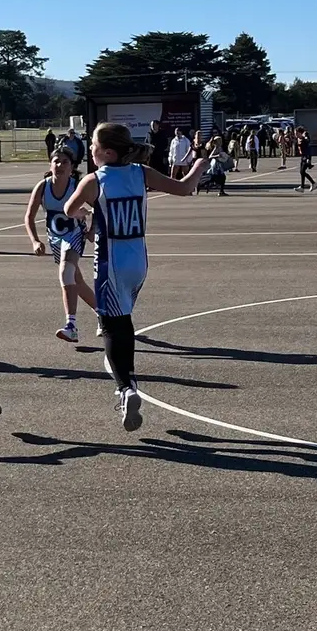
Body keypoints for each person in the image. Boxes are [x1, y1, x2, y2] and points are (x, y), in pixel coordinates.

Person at [51, 121, 202, 427]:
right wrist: (200, 162)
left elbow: (67, 209)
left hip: (112, 263)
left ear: (107, 152)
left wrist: (86, 212)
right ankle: (127, 385)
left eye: (93, 145)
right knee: (123, 321)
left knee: (111, 326)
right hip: (139, 261)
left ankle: (126, 388)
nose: (90, 150)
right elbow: (185, 187)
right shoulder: (140, 173)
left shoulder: (95, 180)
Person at [26, 145, 97, 342]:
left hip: (74, 234)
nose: (60, 165)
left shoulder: (78, 186)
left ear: (72, 167)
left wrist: (92, 229)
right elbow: (29, 217)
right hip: (55, 238)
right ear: (50, 165)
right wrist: (35, 241)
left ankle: (71, 326)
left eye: (65, 162)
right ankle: (104, 314)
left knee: (66, 272)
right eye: (56, 161)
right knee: (76, 281)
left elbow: (99, 207)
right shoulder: (42, 187)